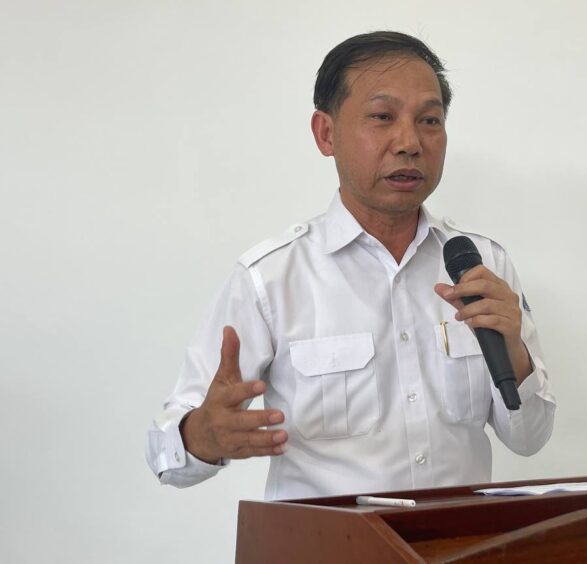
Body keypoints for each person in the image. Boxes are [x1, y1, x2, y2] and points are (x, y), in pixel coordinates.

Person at [145, 31, 556, 501]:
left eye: (429, 120)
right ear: (326, 133)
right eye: (382, 117)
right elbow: (165, 457)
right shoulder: (270, 279)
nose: (410, 143)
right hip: (328, 539)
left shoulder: (482, 265)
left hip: (458, 537)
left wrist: (514, 352)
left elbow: (530, 438)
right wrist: (201, 435)